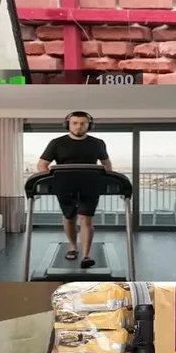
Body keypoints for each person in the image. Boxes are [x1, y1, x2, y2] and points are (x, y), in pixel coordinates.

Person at [36, 110, 112, 268]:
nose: (79, 126)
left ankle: (86, 256)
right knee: (69, 218)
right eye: (75, 123)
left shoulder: (98, 143)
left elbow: (106, 164)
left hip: (90, 184)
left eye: (83, 123)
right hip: (64, 184)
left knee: (86, 218)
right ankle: (73, 247)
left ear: (89, 125)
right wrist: (50, 181)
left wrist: (107, 180)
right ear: (68, 125)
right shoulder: (56, 143)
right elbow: (42, 164)